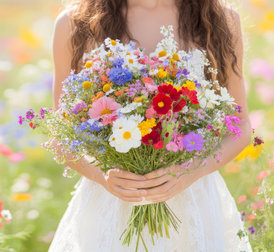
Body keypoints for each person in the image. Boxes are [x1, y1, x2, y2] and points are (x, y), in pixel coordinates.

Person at [48, 0, 253, 251]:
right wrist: (101, 176)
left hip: (192, 200)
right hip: (110, 202)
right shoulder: (74, 24)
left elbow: (241, 128)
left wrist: (191, 171)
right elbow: (60, 134)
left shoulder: (221, 20)